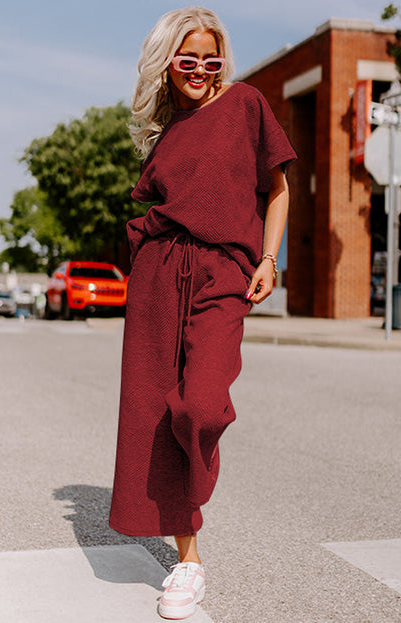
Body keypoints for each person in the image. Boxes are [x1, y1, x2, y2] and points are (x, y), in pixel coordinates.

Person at [109, 6, 296, 620]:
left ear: (222, 62)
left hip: (224, 273)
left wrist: (268, 258)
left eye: (210, 60)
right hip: (160, 276)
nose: (199, 70)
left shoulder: (245, 104)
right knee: (154, 415)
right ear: (167, 65)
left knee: (200, 406)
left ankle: (194, 477)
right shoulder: (167, 134)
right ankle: (188, 561)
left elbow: (278, 188)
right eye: (186, 60)